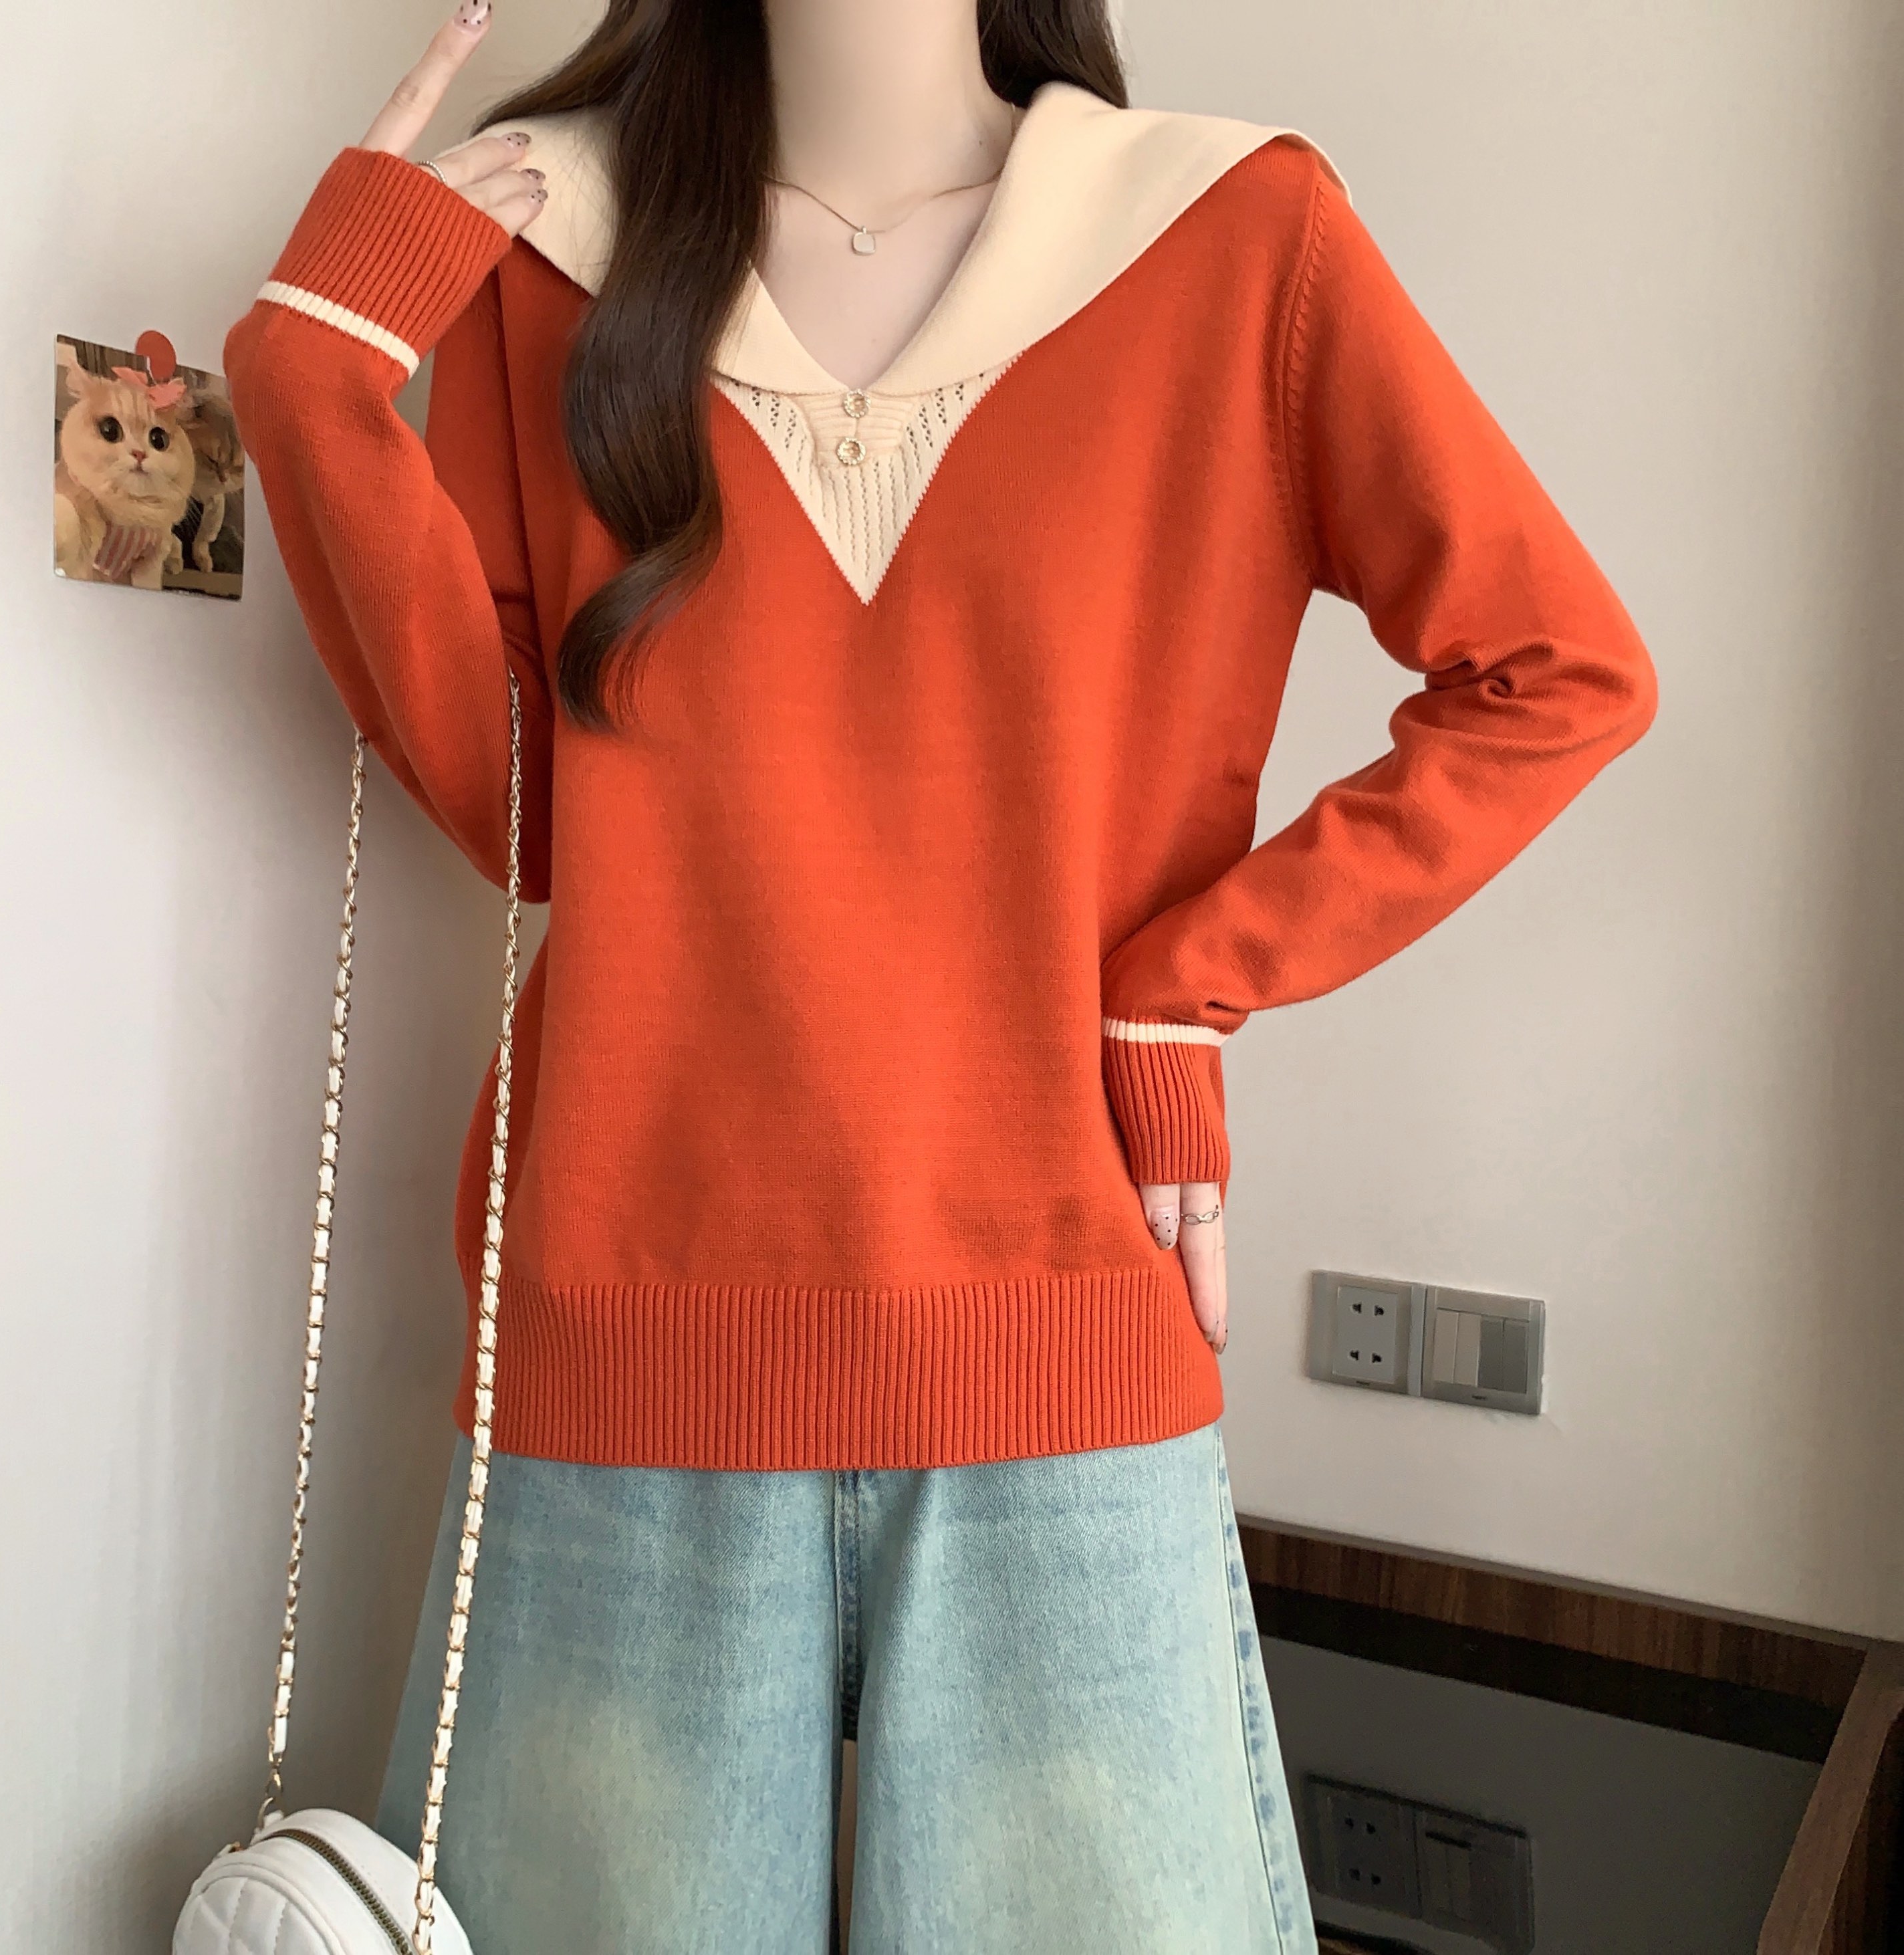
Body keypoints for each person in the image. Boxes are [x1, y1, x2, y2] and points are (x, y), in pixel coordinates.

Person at [223, 0, 1657, 1946]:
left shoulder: (1228, 232)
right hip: (625, 1339)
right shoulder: (547, 248)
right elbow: (532, 820)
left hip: (1060, 1352)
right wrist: (312, 381)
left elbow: (1554, 673)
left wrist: (1188, 980)